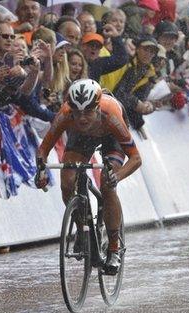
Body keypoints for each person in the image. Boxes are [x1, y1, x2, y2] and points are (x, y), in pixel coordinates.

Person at [35, 79, 142, 274]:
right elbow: (43, 149)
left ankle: (113, 249)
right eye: (77, 112)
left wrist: (117, 177)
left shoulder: (110, 113)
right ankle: (82, 230)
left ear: (97, 107)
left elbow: (136, 158)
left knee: (107, 184)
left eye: (88, 112)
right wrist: (40, 170)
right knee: (67, 183)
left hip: (111, 136)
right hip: (82, 139)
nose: (82, 118)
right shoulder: (66, 114)